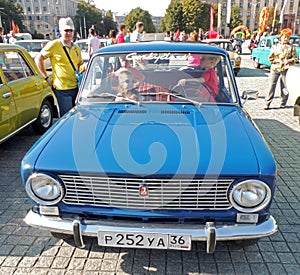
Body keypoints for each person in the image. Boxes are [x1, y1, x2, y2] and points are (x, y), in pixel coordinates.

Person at [35, 17, 85, 116]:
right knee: (67, 117)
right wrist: (46, 78)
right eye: (66, 30)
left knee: (77, 116)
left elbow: (79, 64)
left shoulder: (76, 48)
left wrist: (84, 67)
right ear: (60, 31)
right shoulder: (54, 45)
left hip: (77, 87)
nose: (69, 33)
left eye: (71, 30)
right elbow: (38, 59)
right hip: (62, 89)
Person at [264, 28, 298, 110]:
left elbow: (295, 58)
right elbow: (270, 58)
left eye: (287, 37)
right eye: (284, 37)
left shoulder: (291, 47)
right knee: (271, 86)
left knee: (284, 87)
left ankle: (283, 102)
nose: (286, 39)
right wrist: (278, 60)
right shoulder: (275, 46)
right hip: (275, 68)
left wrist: (289, 60)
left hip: (285, 69)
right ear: (281, 37)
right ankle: (267, 103)